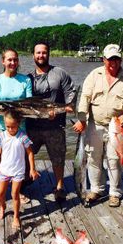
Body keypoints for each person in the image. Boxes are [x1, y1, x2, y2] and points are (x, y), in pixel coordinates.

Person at [73, 44, 123, 207]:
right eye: (110, 59)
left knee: (114, 159)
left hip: (116, 127)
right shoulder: (93, 75)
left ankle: (115, 192)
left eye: (116, 59)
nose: (113, 62)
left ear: (121, 59)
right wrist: (82, 119)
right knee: (93, 159)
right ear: (104, 59)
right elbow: (85, 98)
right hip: (93, 125)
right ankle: (97, 189)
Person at [27, 42, 76, 201]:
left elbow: (71, 91)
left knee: (58, 157)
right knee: (25, 156)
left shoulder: (59, 73)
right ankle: (23, 182)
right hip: (32, 126)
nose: (41, 55)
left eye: (44, 52)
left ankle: (60, 186)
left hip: (55, 125)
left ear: (49, 54)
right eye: (38, 53)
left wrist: (69, 106)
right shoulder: (28, 78)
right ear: (33, 55)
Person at [0, 49, 32, 210]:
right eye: (9, 60)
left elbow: (28, 103)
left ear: (18, 61)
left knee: (19, 160)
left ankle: (16, 191)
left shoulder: (25, 80)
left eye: (15, 60)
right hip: (0, 126)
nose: (12, 63)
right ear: (3, 61)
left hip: (20, 126)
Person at [0, 110, 40, 229]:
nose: (11, 129)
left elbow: (30, 153)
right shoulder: (1, 136)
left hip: (18, 171)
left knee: (14, 194)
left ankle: (16, 216)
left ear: (19, 123)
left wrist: (32, 169)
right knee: (0, 194)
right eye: (8, 127)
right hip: (4, 170)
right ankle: (3, 208)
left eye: (13, 127)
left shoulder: (23, 136)